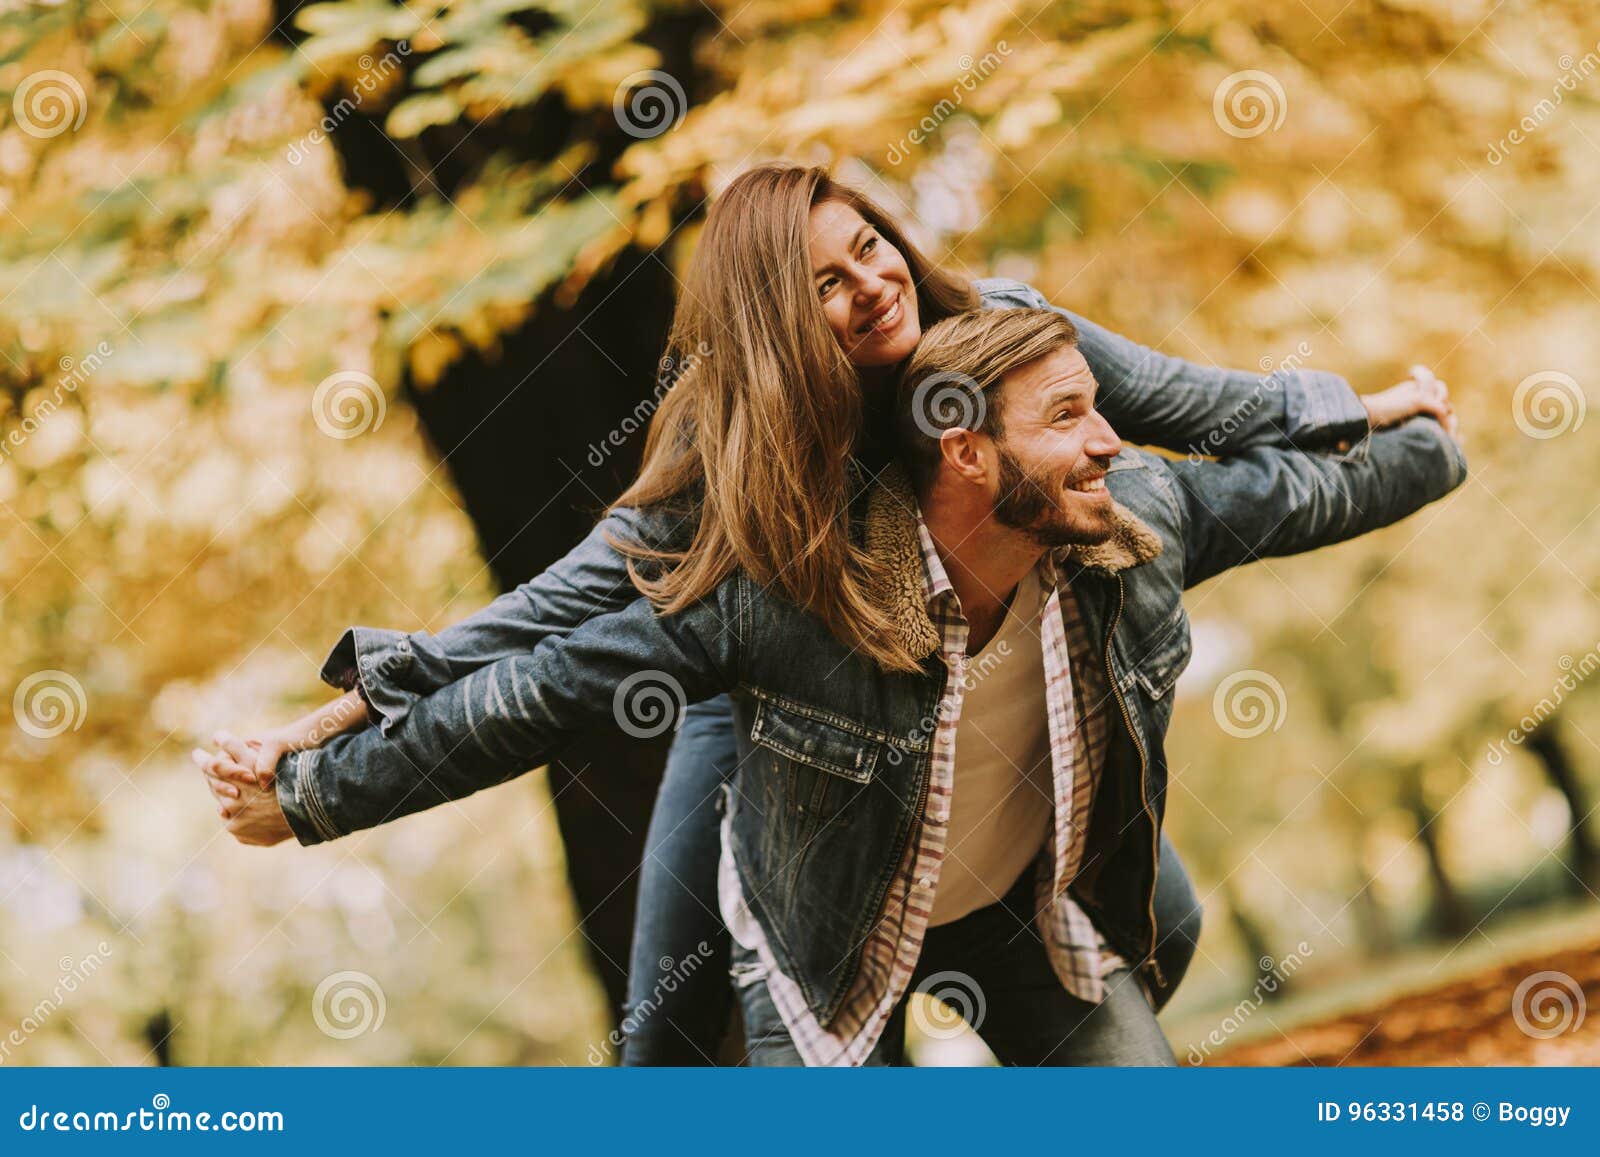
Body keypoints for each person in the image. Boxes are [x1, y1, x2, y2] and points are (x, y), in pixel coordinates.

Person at [194, 164, 1456, 1064]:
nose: (868, 286)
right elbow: (550, 631)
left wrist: (1368, 410)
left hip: (985, 723)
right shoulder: (734, 476)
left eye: (871, 248)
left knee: (1127, 917)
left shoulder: (1010, 348)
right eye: (822, 284)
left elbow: (1202, 414)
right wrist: (337, 729)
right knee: (671, 1022)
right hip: (782, 706)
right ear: (768, 328)